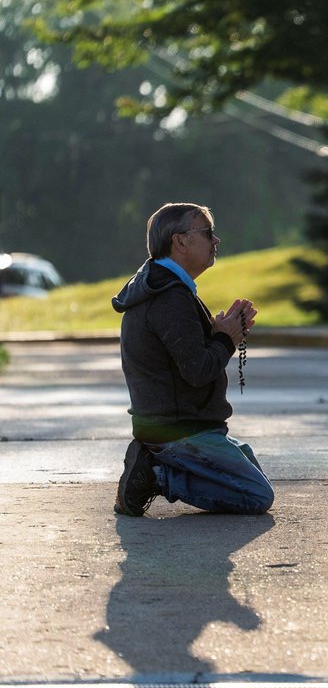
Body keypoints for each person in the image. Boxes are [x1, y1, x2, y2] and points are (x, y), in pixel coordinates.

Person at [110, 202, 274, 517]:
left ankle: (156, 462)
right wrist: (226, 339)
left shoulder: (164, 287)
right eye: (208, 233)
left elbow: (185, 359)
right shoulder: (169, 297)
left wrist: (215, 336)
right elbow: (198, 371)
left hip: (175, 425)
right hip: (178, 430)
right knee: (256, 495)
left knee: (247, 458)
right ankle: (156, 476)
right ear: (181, 241)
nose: (216, 241)